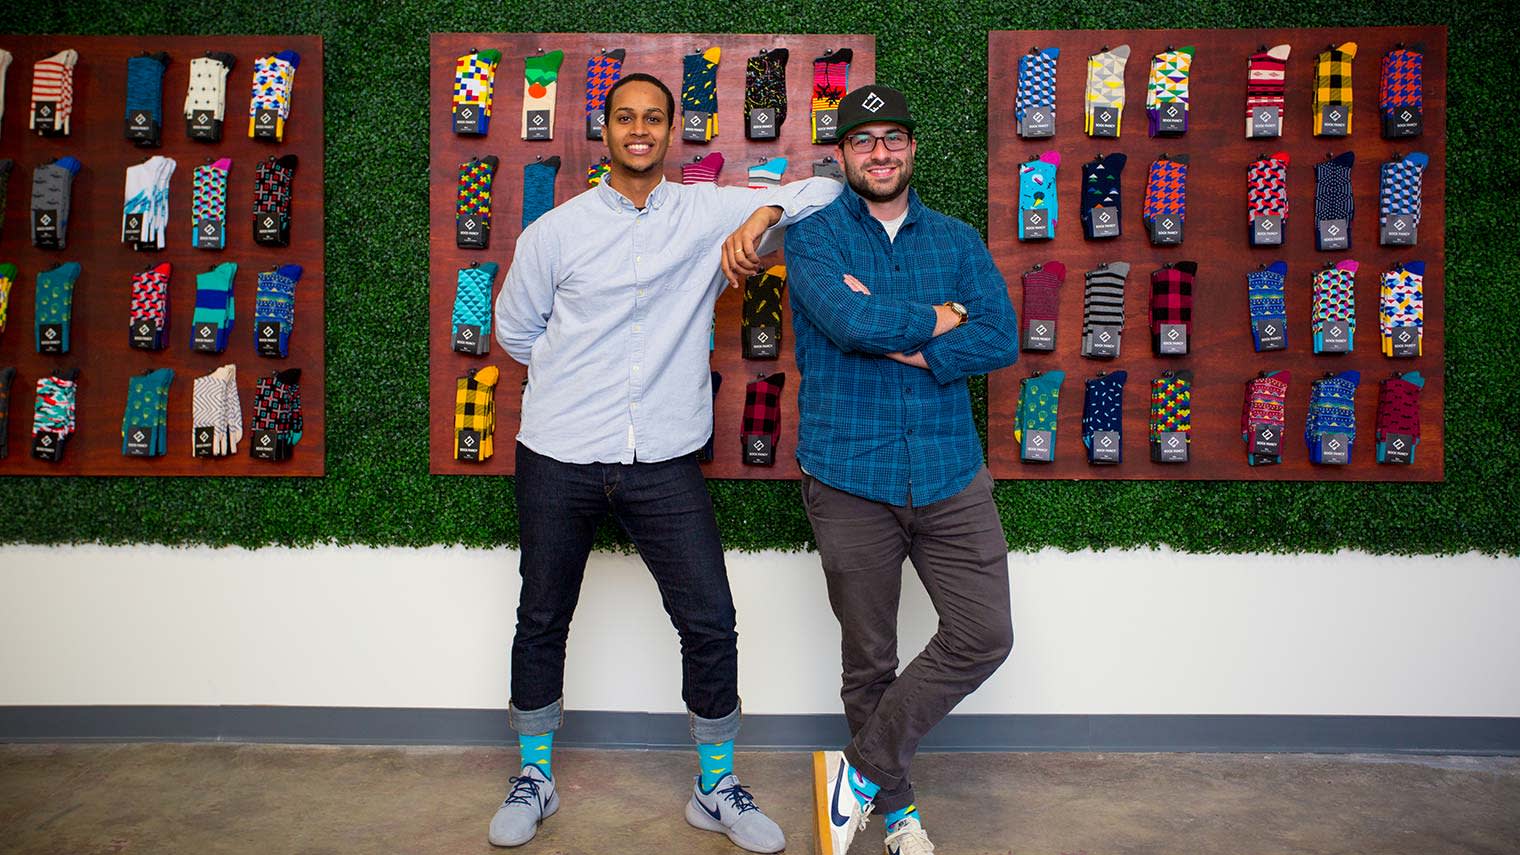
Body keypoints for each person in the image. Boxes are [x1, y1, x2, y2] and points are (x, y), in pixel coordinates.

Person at [490, 72, 841, 852]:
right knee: (542, 615)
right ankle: (535, 775)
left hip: (663, 457)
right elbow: (516, 333)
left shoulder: (704, 210)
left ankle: (715, 784)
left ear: (671, 130)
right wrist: (578, 375)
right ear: (605, 130)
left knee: (709, 618)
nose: (639, 129)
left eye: (654, 118)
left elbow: (827, 187)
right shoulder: (557, 231)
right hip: (559, 451)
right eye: (625, 118)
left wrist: (767, 210)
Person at [783, 84, 1020, 855]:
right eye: (863, 142)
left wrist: (902, 331)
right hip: (849, 473)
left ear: (912, 148)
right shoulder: (812, 240)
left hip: (950, 472)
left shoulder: (955, 240)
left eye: (892, 139)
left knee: (984, 633)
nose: (879, 153)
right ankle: (899, 811)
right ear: (844, 154)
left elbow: (1000, 338)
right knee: (870, 658)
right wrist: (939, 319)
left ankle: (857, 773)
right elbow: (846, 321)